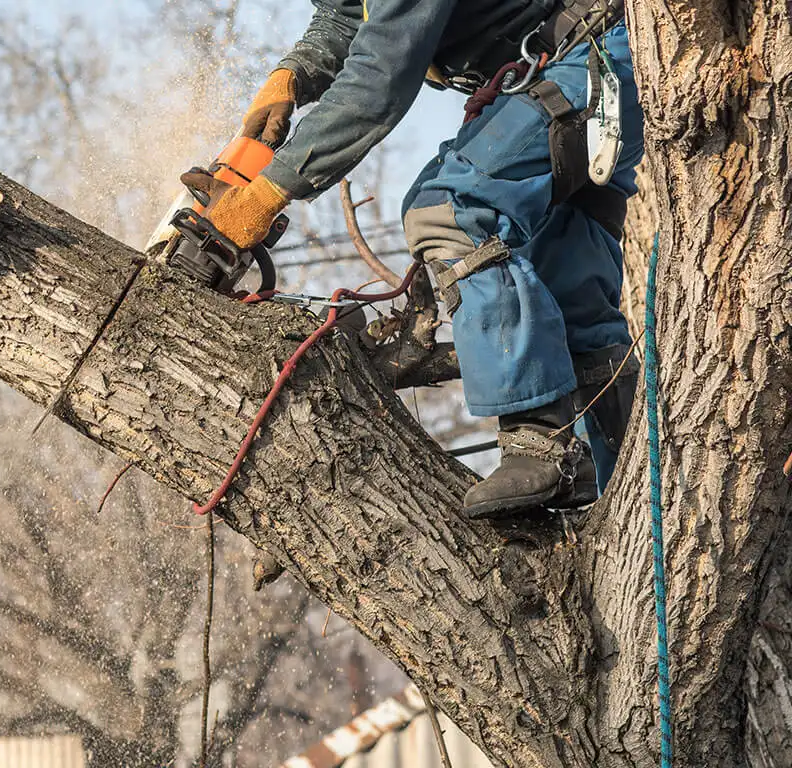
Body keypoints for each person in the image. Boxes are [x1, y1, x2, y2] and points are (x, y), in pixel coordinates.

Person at [187, 0, 644, 519]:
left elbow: (381, 76)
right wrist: (295, 74)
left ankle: (538, 442)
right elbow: (348, 16)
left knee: (448, 209)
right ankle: (629, 495)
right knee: (566, 290)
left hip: (598, 63)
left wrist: (267, 193)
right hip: (573, 68)